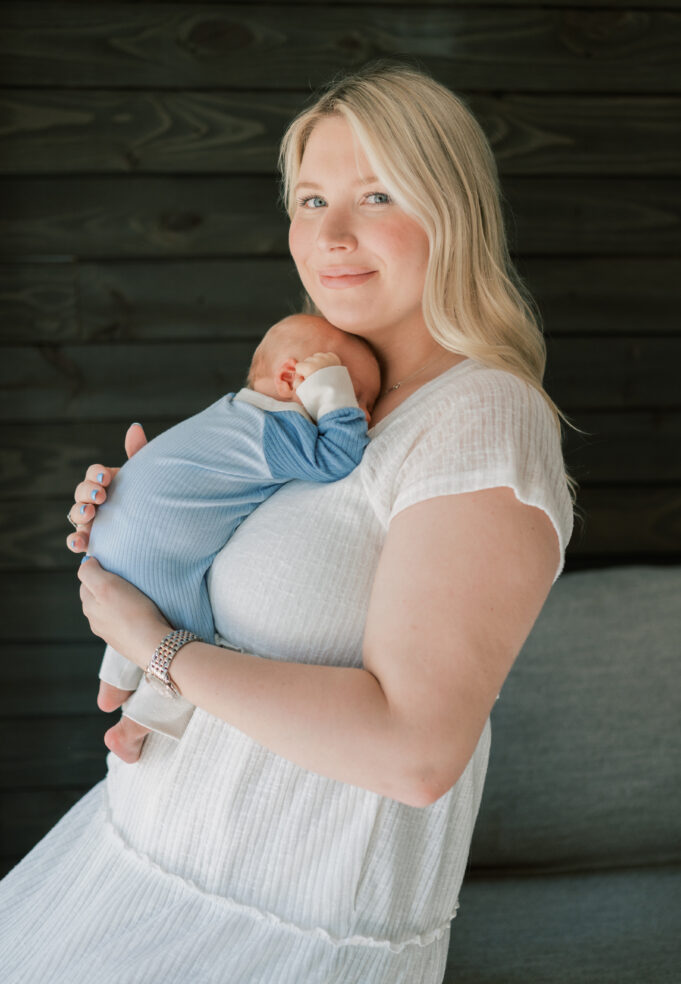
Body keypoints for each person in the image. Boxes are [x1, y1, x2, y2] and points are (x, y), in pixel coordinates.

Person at [0, 61, 575, 983]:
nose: (331, 234)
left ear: (454, 212)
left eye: (376, 195)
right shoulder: (313, 390)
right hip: (137, 866)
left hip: (273, 934)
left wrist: (156, 648)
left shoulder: (480, 420)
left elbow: (416, 753)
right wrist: (148, 512)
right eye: (310, 200)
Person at [89, 313, 381, 763]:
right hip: (156, 547)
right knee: (186, 646)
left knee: (141, 599)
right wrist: (336, 403)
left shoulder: (231, 411)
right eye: (353, 394)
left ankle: (113, 684)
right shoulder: (277, 429)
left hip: (114, 522)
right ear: (292, 379)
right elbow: (338, 458)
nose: (364, 416)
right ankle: (133, 728)